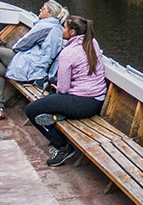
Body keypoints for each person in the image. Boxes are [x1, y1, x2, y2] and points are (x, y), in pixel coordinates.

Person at [24, 16, 106, 166]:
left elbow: (63, 89)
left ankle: (63, 148)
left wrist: (56, 87)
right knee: (52, 88)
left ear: (72, 32)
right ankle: (57, 115)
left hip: (80, 104)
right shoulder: (92, 43)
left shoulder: (68, 53)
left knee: (31, 109)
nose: (62, 30)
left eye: (65, 27)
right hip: (96, 101)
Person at [0, 0, 69, 119]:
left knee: (0, 52)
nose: (40, 10)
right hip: (40, 70)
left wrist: (18, 50)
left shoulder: (45, 26)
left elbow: (21, 45)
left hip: (33, 69)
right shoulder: (55, 27)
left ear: (50, 14)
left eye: (43, 9)